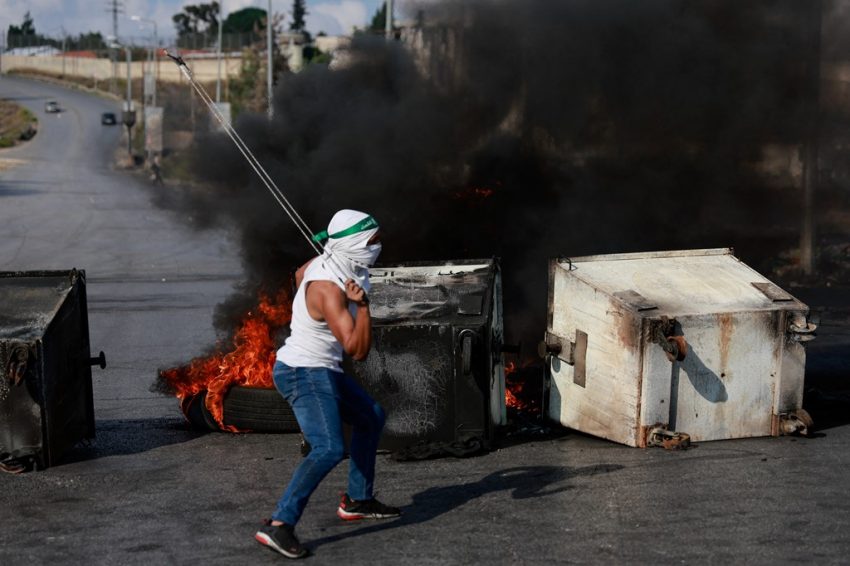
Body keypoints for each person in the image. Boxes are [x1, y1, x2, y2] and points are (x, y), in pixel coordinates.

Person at [255, 209, 400, 559]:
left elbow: (298, 273)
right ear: (352, 245)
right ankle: (277, 525)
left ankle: (357, 500)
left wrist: (328, 254)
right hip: (303, 371)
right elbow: (357, 350)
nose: (377, 247)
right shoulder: (330, 290)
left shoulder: (329, 262)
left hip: (323, 368)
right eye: (371, 242)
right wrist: (362, 308)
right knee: (328, 448)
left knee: (370, 417)